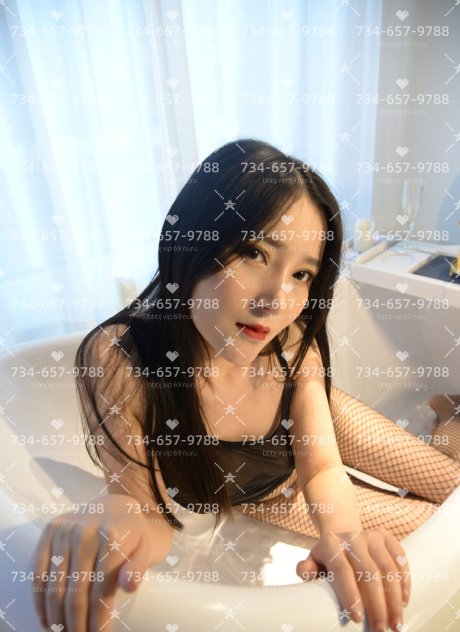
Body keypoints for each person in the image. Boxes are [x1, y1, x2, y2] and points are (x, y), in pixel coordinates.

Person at [31, 139, 460, 632]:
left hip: (325, 418)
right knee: (439, 528)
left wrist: (341, 534)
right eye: (255, 252)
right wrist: (115, 519)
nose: (277, 300)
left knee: (451, 484)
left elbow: (321, 466)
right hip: (273, 495)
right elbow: (142, 509)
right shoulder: (120, 359)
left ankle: (446, 418)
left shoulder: (292, 342)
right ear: (194, 240)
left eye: (302, 274)